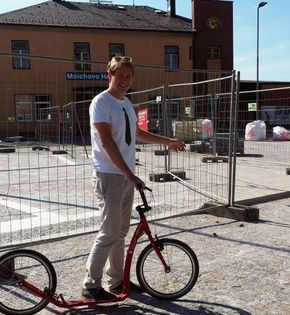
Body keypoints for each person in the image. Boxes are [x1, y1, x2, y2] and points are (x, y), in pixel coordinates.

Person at [82, 56, 185, 301]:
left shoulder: (126, 103)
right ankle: (90, 286)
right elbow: (106, 141)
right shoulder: (101, 103)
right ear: (110, 75)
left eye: (128, 76)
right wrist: (129, 174)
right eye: (120, 76)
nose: (124, 81)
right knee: (108, 233)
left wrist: (168, 141)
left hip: (125, 176)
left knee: (119, 232)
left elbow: (136, 133)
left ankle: (116, 282)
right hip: (109, 175)